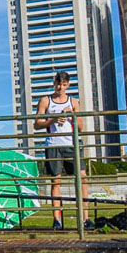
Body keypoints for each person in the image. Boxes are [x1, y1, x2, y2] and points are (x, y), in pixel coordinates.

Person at [34, 70, 91, 230]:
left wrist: (72, 114)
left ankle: (85, 218)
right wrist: (52, 120)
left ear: (68, 85)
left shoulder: (73, 101)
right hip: (53, 145)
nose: (60, 87)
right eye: (58, 84)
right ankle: (57, 220)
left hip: (72, 144)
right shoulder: (45, 101)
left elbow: (80, 126)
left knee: (82, 179)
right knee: (56, 181)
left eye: (64, 85)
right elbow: (37, 124)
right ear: (54, 84)